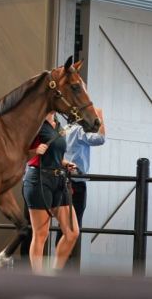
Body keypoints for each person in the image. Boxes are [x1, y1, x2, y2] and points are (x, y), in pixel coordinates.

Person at [22, 111, 79, 274]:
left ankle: (54, 274)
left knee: (72, 232)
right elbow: (18, 153)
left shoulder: (59, 124)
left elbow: (55, 154)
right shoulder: (35, 123)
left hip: (58, 179)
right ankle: (38, 279)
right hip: (38, 179)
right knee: (41, 234)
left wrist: (65, 163)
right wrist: (34, 151)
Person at [55, 108, 105, 255]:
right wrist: (100, 117)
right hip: (76, 181)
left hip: (62, 180)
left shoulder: (63, 130)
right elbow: (100, 139)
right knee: (73, 226)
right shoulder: (78, 131)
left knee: (63, 224)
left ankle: (59, 263)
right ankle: (64, 264)